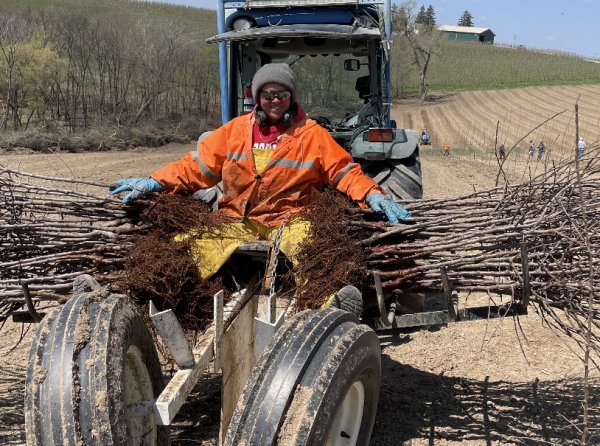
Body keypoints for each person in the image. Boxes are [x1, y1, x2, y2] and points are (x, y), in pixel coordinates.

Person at [110, 63, 410, 288]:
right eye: (268, 93)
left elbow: (344, 172)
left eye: (282, 94)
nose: (275, 99)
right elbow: (196, 167)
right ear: (258, 97)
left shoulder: (311, 135)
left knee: (318, 257)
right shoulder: (234, 131)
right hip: (236, 220)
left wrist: (372, 193)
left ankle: (329, 308)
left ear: (292, 98)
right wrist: (156, 181)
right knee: (189, 248)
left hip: (292, 220)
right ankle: (170, 294)